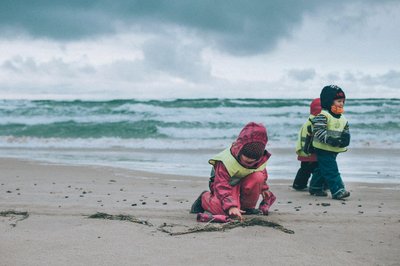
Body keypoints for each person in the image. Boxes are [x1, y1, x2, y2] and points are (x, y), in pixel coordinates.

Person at [190, 122, 276, 221]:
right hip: (223, 186)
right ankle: (204, 199)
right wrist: (231, 206)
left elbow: (260, 170)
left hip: (243, 183)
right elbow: (221, 185)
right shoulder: (226, 161)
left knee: (258, 177)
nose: (249, 164)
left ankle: (247, 208)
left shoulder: (259, 158)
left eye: (253, 162)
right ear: (240, 149)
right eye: (246, 161)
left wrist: (264, 188)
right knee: (223, 210)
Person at [309, 85, 351, 200]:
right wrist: (330, 139)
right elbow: (318, 131)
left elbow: (345, 130)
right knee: (331, 169)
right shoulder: (323, 116)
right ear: (328, 101)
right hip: (323, 148)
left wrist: (345, 139)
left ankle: (315, 186)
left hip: (334, 148)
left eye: (343, 101)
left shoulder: (343, 118)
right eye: (338, 101)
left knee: (323, 168)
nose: (341, 104)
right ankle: (337, 190)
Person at [292, 98, 322, 191]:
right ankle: (318, 185)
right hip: (311, 152)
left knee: (305, 169)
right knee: (318, 170)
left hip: (303, 150)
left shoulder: (309, 120)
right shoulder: (317, 122)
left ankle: (298, 184)